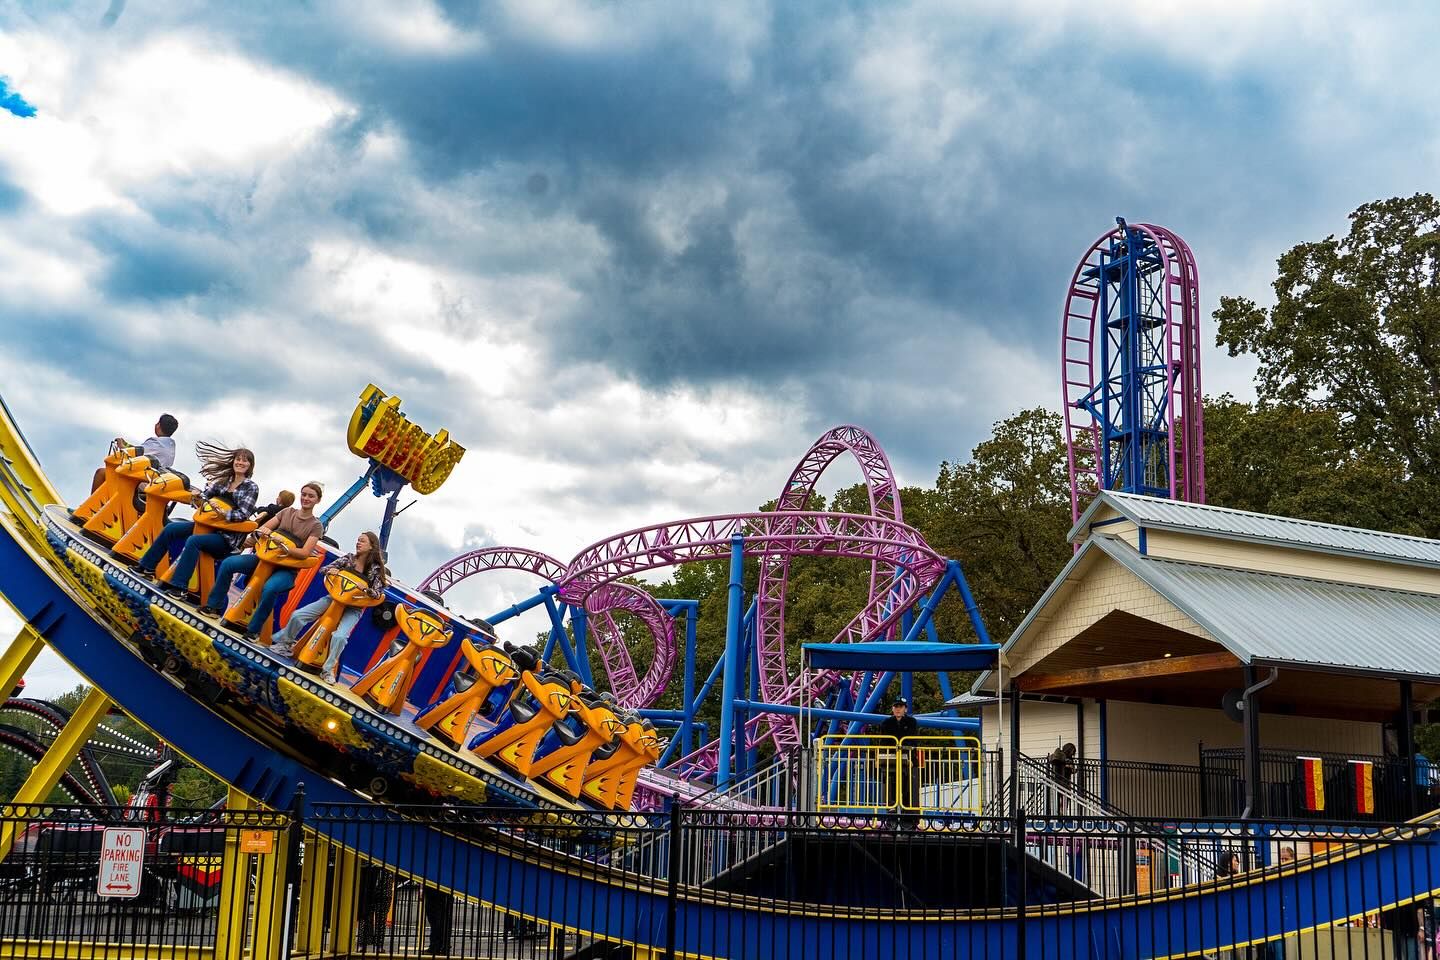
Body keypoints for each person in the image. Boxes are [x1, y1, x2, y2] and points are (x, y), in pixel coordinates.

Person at [200, 481, 324, 642]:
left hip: (286, 569)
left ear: (317, 500)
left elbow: (305, 552)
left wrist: (285, 548)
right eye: (304, 494)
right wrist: (263, 532)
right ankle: (214, 606)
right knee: (229, 564)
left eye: (311, 496)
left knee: (270, 588)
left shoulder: (316, 526)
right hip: (263, 560)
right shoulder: (287, 512)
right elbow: (263, 529)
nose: (306, 498)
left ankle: (253, 630)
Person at [136, 444, 258, 594]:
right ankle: (146, 567)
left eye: (245, 461)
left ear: (250, 466)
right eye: (238, 459)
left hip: (225, 537)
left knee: (194, 541)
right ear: (233, 461)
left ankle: (179, 586)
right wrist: (197, 498)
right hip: (204, 526)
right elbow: (206, 496)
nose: (240, 463)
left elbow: (243, 514)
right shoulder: (224, 481)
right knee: (171, 529)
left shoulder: (251, 487)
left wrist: (222, 514)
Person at [269, 531, 386, 683]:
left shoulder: (375, 569)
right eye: (358, 540)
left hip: (354, 607)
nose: (358, 543)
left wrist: (365, 590)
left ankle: (328, 669)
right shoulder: (348, 558)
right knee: (298, 615)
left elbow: (378, 594)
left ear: (371, 546)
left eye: (362, 541)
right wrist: (333, 571)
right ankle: (285, 643)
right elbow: (324, 569)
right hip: (334, 598)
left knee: (340, 636)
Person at [92, 414, 179, 492]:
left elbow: (135, 454)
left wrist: (122, 446)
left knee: (100, 473)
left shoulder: (156, 442)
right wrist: (126, 444)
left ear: (159, 426)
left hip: (141, 479)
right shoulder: (170, 444)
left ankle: (92, 508)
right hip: (156, 480)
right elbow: (140, 450)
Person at [878, 698, 921, 824]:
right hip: (891, 760)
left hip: (908, 760)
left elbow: (912, 740)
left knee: (908, 787)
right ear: (892, 709)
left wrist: (907, 754)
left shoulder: (911, 721)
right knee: (891, 785)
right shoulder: (886, 722)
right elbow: (884, 741)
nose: (898, 709)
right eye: (896, 706)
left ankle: (909, 817)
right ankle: (891, 814)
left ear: (905, 709)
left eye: (901, 707)